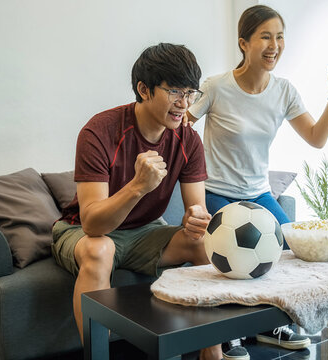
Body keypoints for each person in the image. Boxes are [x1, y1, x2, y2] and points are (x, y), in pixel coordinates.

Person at [186, 5, 328, 359]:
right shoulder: (215, 87)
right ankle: (227, 334)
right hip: (218, 193)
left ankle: (267, 327)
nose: (274, 45)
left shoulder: (284, 91)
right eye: (265, 37)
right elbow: (180, 127)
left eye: (279, 37)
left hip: (259, 193)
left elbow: (316, 138)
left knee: (294, 252)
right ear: (244, 43)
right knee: (229, 258)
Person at [51, 43, 223, 360]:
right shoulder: (99, 131)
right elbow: (92, 223)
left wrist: (196, 217)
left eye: (190, 93)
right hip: (83, 231)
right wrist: (138, 186)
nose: (183, 104)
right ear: (144, 89)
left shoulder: (188, 139)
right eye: (174, 92)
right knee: (100, 249)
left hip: (145, 231)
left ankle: (212, 352)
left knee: (204, 243)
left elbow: (196, 208)